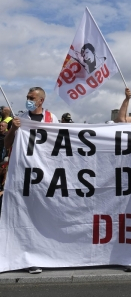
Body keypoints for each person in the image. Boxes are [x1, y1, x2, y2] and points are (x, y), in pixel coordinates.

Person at [4, 87, 57, 274]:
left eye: (31, 98)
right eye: (27, 97)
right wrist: (14, 129)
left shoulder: (52, 119)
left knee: (43, 214)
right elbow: (7, 144)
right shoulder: (20, 118)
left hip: (45, 176)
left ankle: (45, 253)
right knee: (24, 215)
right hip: (23, 175)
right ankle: (27, 255)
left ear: (41, 101)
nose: (28, 100)